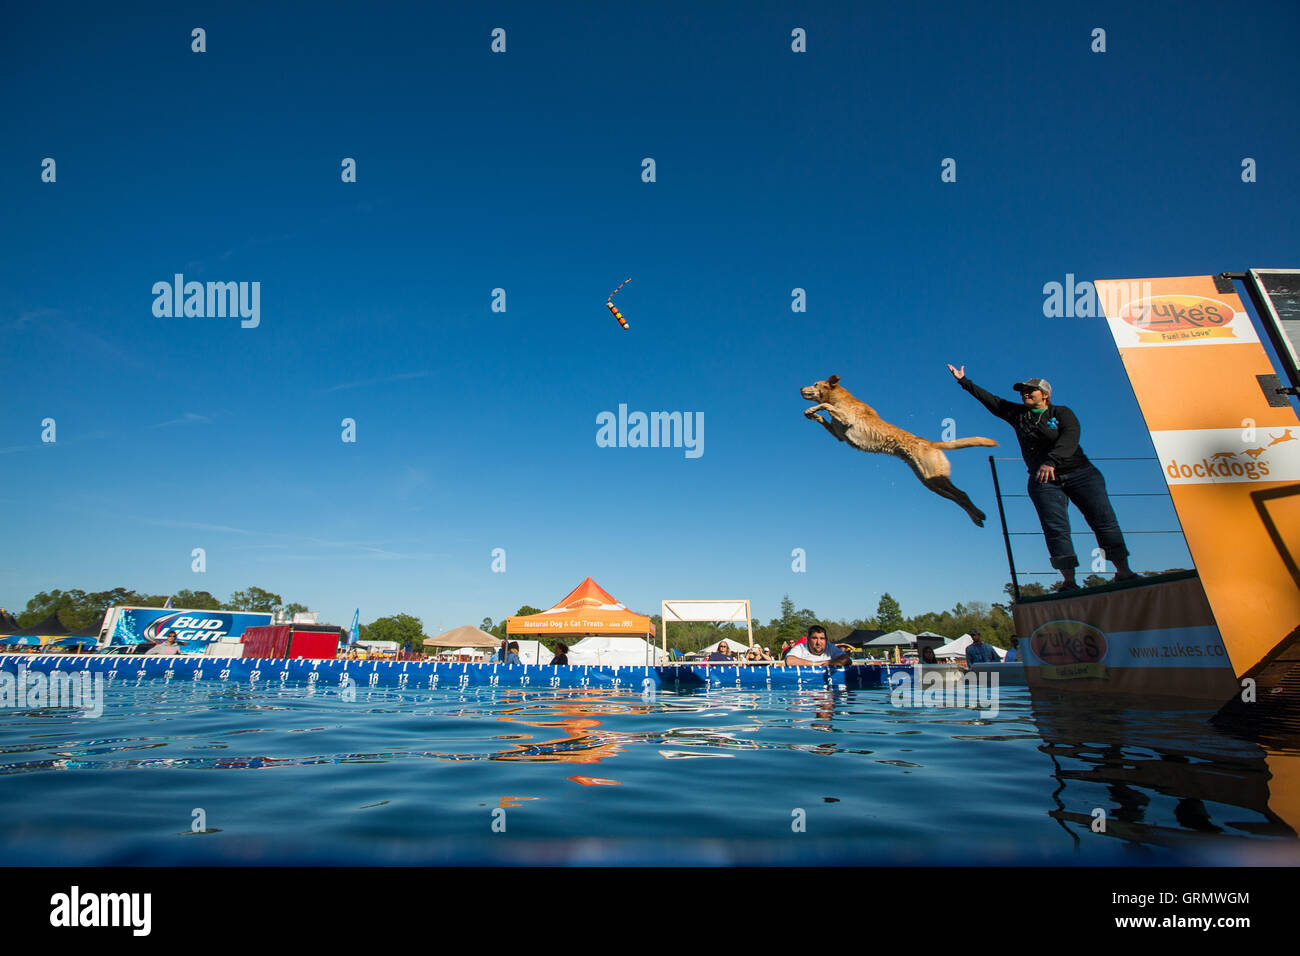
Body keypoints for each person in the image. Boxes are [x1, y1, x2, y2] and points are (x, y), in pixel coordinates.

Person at [948, 364, 1136, 590]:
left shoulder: (1062, 413)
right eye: (1022, 391)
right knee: (1055, 529)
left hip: (1081, 475)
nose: (1025, 394)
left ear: (1045, 395)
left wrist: (1051, 461)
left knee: (1102, 521)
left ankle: (1123, 571)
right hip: (1045, 482)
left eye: (1031, 390)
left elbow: (1071, 436)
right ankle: (1068, 581)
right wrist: (964, 381)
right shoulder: (1018, 415)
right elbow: (994, 402)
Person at [785, 626, 851, 667]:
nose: (818, 642)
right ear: (808, 639)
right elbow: (789, 661)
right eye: (814, 638)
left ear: (826, 640)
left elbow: (847, 659)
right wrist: (816, 664)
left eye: (822, 638)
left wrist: (830, 663)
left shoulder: (830, 647)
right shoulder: (801, 647)